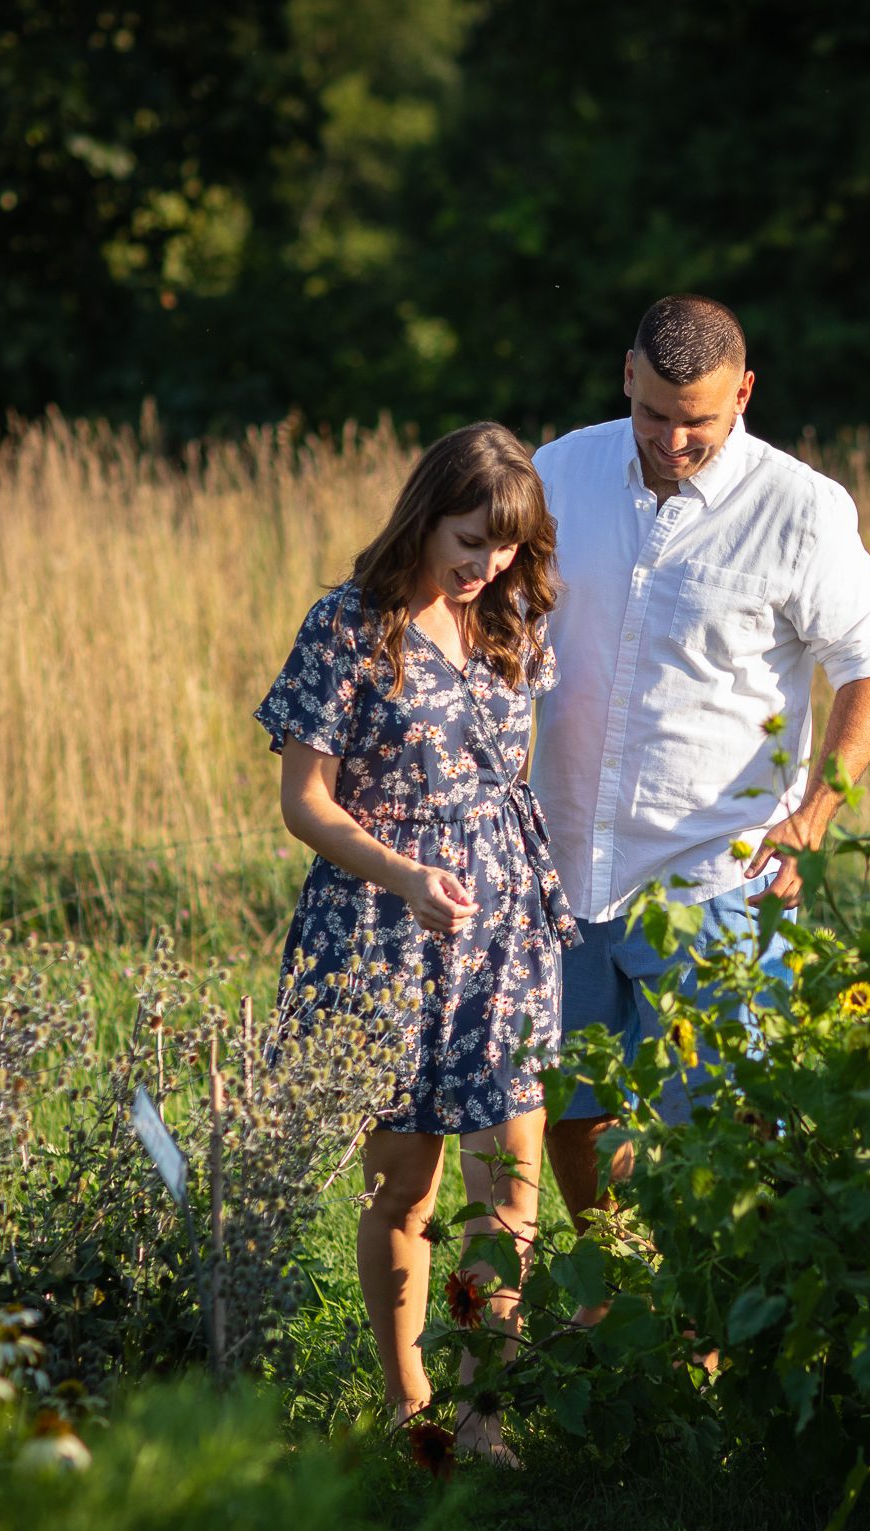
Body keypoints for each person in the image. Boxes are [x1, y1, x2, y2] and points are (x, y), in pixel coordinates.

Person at [532, 294, 870, 1233]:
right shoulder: (559, 473)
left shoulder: (803, 509)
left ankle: (711, 1335)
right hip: (563, 861)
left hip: (718, 871)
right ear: (627, 376)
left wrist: (817, 810)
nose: (673, 438)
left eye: (698, 418)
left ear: (744, 392)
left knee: (731, 1120)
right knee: (574, 1105)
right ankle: (607, 1295)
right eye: (654, 412)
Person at [255, 421, 575, 1466]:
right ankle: (411, 1404)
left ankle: (485, 1413)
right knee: (404, 1180)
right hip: (384, 929)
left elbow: (511, 778)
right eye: (470, 537)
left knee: (511, 1185)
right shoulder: (350, 624)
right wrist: (400, 872)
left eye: (508, 546)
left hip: (502, 933)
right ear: (425, 514)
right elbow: (305, 802)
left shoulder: (515, 623)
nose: (486, 563)